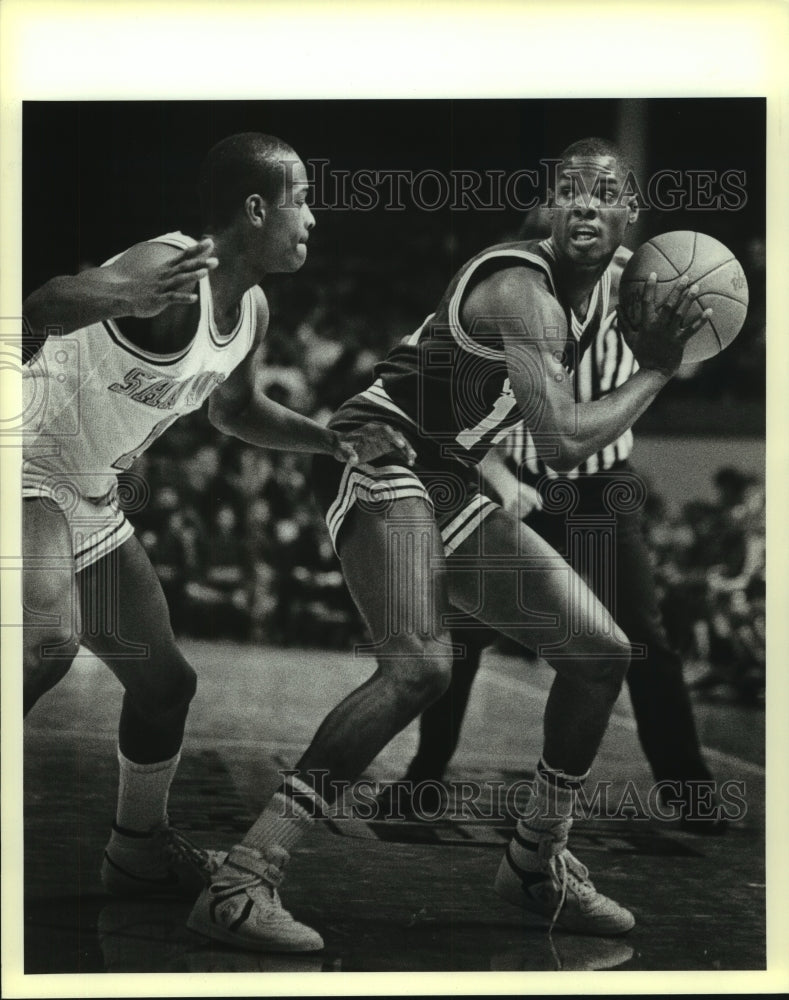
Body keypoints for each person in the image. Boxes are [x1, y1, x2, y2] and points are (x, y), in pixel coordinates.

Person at [186, 137, 712, 951]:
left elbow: (495, 407)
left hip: (451, 475)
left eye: (602, 191)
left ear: (629, 214)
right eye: (565, 189)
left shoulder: (606, 282)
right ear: (541, 207)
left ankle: (535, 860)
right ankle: (242, 878)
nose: (581, 203)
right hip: (383, 451)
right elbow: (565, 440)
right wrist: (657, 371)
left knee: (601, 652)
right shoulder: (520, 289)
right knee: (420, 669)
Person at [22, 132, 414, 904]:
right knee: (46, 644)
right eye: (301, 199)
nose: (312, 218)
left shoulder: (253, 312)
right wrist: (123, 298)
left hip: (86, 490)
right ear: (256, 207)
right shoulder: (162, 266)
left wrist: (332, 441)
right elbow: (41, 304)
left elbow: (234, 413)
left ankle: (137, 849)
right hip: (22, 455)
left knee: (166, 685)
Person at [384, 206, 728, 833]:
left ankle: (689, 791)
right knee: (462, 636)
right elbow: (437, 390)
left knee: (645, 637)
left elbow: (697, 349)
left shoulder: (647, 280)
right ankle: (424, 778)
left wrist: (699, 323)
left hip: (601, 487)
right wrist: (497, 474)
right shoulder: (504, 285)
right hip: (513, 480)